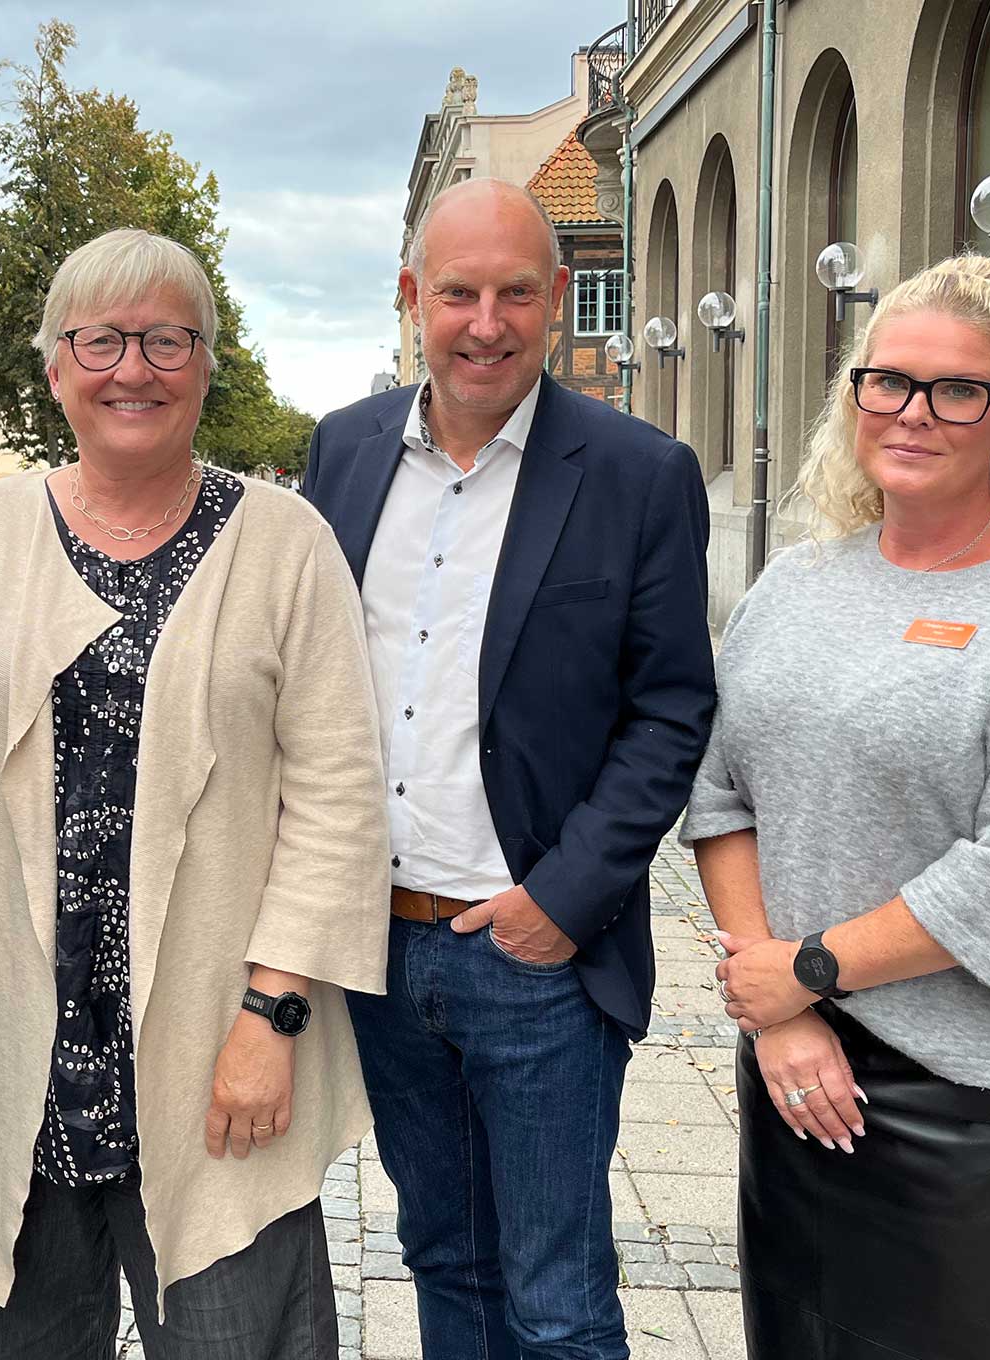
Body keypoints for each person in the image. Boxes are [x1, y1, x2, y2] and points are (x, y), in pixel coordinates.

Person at [0, 227, 389, 1360]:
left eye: (167, 338)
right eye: (101, 339)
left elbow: (339, 796)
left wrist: (272, 1018)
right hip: (19, 1067)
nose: (134, 367)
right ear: (52, 368)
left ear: (207, 361)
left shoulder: (284, 542)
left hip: (218, 1056)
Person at [680, 253, 990, 1359]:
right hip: (795, 1073)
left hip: (966, 1105)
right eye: (885, 381)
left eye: (958, 391)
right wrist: (783, 1010)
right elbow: (716, 795)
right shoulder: (793, 586)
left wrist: (806, 971)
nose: (913, 413)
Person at [302, 177, 717, 1358]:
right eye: (457, 293)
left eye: (516, 294)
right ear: (410, 299)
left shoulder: (639, 473)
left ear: (554, 303)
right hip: (380, 945)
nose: (485, 323)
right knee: (443, 1257)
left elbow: (670, 711)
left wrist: (559, 902)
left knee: (557, 1299)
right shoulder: (340, 452)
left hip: (532, 949)